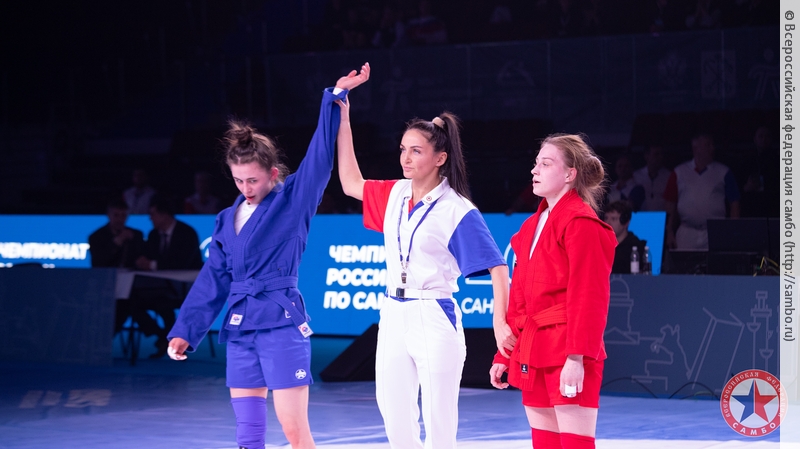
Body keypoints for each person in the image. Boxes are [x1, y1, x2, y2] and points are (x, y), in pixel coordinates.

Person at [166, 63, 370, 449]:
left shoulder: (293, 201)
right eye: (238, 180)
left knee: (294, 430)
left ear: (273, 174)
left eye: (253, 180)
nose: (246, 187)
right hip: (241, 329)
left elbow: (320, 158)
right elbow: (214, 279)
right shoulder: (226, 219)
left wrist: (334, 98)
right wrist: (185, 331)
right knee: (248, 434)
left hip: (280, 324)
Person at [336, 74, 510, 449]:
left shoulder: (456, 209)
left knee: (437, 420)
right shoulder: (396, 193)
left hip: (433, 313)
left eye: (416, 151)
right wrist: (344, 117)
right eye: (403, 149)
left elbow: (498, 266)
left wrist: (500, 322)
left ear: (440, 158)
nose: (405, 157)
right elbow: (350, 182)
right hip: (392, 312)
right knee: (394, 415)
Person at [490, 134, 616, 449]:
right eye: (536, 163)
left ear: (570, 174)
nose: (535, 170)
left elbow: (590, 296)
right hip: (534, 348)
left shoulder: (581, 223)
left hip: (567, 348)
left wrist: (576, 357)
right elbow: (519, 299)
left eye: (545, 164)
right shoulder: (530, 228)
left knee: (575, 444)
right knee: (544, 444)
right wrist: (505, 353)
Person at [133, 195, 204, 358]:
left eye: (153, 214)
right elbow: (147, 256)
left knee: (163, 303)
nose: (150, 218)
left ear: (164, 214)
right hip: (159, 288)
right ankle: (162, 336)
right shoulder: (153, 235)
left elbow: (182, 263)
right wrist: (141, 261)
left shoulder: (187, 233)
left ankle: (169, 341)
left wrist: (152, 265)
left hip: (185, 289)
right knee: (132, 302)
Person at [664, 133, 740, 250]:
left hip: (716, 232)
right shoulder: (679, 172)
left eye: (712, 145)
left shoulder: (723, 172)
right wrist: (669, 232)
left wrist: (733, 231)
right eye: (708, 145)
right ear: (696, 148)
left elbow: (734, 204)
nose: (712, 148)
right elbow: (670, 204)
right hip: (687, 232)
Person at [88, 197, 145, 336]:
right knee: (124, 304)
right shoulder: (96, 237)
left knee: (131, 303)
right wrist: (117, 242)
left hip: (132, 285)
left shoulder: (136, 235)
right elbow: (98, 263)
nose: (120, 219)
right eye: (116, 215)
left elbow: (141, 259)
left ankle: (107, 336)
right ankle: (106, 336)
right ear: (109, 215)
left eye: (123, 215)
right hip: (105, 284)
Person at [603, 201, 645, 274]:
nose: (608, 223)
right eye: (606, 218)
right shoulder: (600, 245)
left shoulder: (635, 248)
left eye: (613, 219)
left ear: (625, 223)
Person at [632, 144, 671, 212]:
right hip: (641, 215)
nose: (660, 157)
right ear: (647, 156)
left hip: (662, 215)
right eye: (656, 154)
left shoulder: (668, 176)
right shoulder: (636, 175)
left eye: (661, 154)